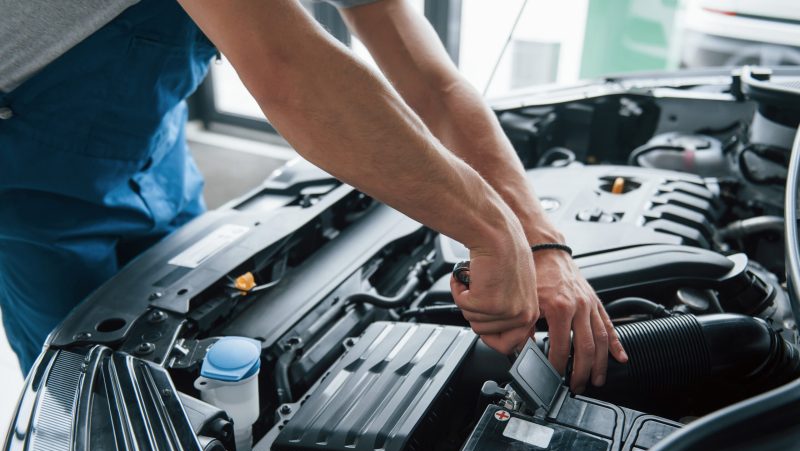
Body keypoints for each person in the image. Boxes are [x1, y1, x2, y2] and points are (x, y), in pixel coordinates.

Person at [0, 0, 626, 390]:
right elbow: (289, 71)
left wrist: (540, 239)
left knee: (198, 331)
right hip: (26, 176)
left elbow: (432, 84)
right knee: (92, 384)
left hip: (149, 147)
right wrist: (493, 233)